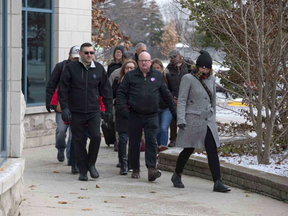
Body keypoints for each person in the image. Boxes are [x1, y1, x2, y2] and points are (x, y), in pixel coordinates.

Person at [171, 50, 231, 192]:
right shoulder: (188, 78)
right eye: (202, 67)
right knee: (189, 149)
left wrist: (213, 118)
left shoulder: (212, 79)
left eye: (207, 67)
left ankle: (217, 182)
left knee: (212, 149)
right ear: (197, 66)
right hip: (192, 119)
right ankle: (177, 174)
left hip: (207, 120)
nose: (204, 70)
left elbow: (213, 101)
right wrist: (181, 119)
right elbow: (182, 100)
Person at [117, 52, 177, 181]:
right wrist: (123, 110)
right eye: (141, 60)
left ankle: (151, 169)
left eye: (146, 60)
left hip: (151, 115)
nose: (144, 63)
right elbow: (121, 93)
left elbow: (166, 95)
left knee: (151, 141)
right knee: (134, 143)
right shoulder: (130, 76)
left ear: (150, 62)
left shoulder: (157, 76)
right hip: (134, 114)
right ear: (138, 62)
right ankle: (135, 168)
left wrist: (175, 113)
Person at [58, 42, 113, 181]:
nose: (89, 55)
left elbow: (106, 91)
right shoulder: (71, 68)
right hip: (76, 111)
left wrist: (108, 110)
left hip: (93, 111)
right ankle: (83, 170)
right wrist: (64, 108)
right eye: (86, 53)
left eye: (91, 52)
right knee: (79, 141)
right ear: (81, 54)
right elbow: (63, 90)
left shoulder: (99, 69)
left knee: (96, 137)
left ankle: (91, 164)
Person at [45, 45, 80, 174]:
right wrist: (49, 102)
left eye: (78, 58)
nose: (76, 60)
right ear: (69, 55)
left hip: (77, 107)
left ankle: (72, 159)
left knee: (73, 135)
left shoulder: (83, 68)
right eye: (74, 58)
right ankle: (60, 149)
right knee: (61, 130)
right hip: (61, 105)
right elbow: (51, 84)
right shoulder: (61, 67)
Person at [113, 60, 137, 175]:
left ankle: (131, 163)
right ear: (124, 69)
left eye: (132, 68)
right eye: (127, 68)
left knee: (133, 139)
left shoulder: (139, 81)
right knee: (122, 139)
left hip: (135, 113)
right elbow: (111, 94)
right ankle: (123, 164)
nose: (130, 70)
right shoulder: (118, 81)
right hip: (122, 112)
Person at [165, 49, 189, 147]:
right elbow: (166, 86)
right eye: (171, 57)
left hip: (187, 95)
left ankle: (186, 139)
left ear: (179, 55)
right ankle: (173, 139)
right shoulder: (168, 69)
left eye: (174, 56)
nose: (173, 59)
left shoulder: (187, 65)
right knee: (173, 119)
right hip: (174, 96)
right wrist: (172, 97)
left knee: (187, 119)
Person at [152, 58, 176, 151]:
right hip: (155, 107)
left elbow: (174, 89)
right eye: (154, 68)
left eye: (158, 67)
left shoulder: (166, 76)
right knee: (157, 129)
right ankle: (158, 147)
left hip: (166, 107)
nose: (156, 69)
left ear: (161, 68)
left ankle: (163, 147)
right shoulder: (150, 77)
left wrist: (169, 97)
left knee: (164, 127)